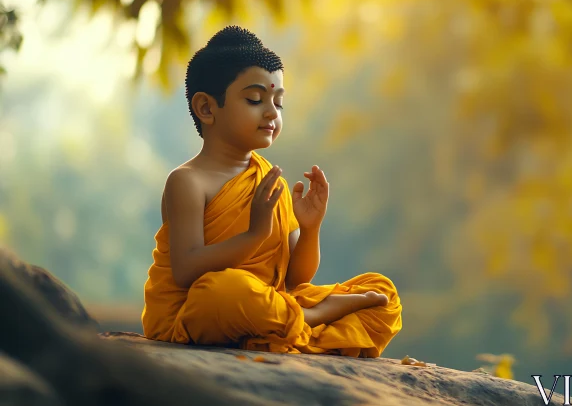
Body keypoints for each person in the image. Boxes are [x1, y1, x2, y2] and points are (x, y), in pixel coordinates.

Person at [141, 26, 402, 357]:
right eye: (254, 99)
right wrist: (254, 235)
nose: (271, 114)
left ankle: (285, 326)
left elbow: (295, 279)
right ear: (207, 108)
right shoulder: (188, 181)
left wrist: (310, 229)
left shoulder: (269, 180)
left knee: (383, 291)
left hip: (265, 305)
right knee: (221, 291)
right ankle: (310, 318)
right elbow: (186, 270)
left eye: (278, 102)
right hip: (194, 313)